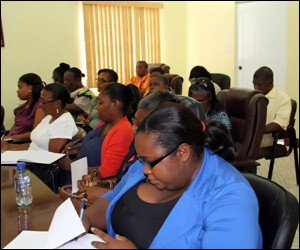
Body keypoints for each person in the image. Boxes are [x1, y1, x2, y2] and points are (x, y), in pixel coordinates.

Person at [81, 103, 262, 249]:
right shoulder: (151, 161)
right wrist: (86, 219)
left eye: (149, 162)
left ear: (183, 153)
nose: (143, 169)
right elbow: (114, 197)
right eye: (141, 159)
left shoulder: (231, 199)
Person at [76, 91, 236, 204]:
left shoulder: (170, 170)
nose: (134, 127)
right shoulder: (145, 153)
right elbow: (125, 186)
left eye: (141, 123)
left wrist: (107, 194)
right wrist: (106, 186)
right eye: (135, 121)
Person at [59, 83, 136, 181]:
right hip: (77, 177)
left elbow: (107, 172)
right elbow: (99, 145)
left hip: (90, 183)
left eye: (100, 102)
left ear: (115, 104)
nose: (97, 107)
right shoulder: (105, 123)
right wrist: (81, 147)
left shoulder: (123, 130)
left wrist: (72, 167)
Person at [1, 83, 78, 152]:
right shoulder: (48, 117)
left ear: (57, 103)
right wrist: (9, 146)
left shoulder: (64, 122)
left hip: (38, 164)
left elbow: (52, 156)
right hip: (29, 157)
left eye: (43, 101)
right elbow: (33, 146)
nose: (40, 104)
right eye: (40, 99)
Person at [253, 66, 291, 149]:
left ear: (270, 83)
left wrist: (257, 130)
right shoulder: (253, 95)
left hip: (265, 139)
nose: (256, 87)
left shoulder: (283, 99)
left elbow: (279, 124)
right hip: (249, 136)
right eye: (254, 83)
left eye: (259, 85)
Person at [2, 73, 46, 142]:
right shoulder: (24, 106)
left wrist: (12, 138)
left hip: (23, 144)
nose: (17, 91)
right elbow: (15, 127)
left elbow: (35, 134)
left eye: (20, 87)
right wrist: (5, 140)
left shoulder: (40, 107)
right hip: (12, 141)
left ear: (30, 87)